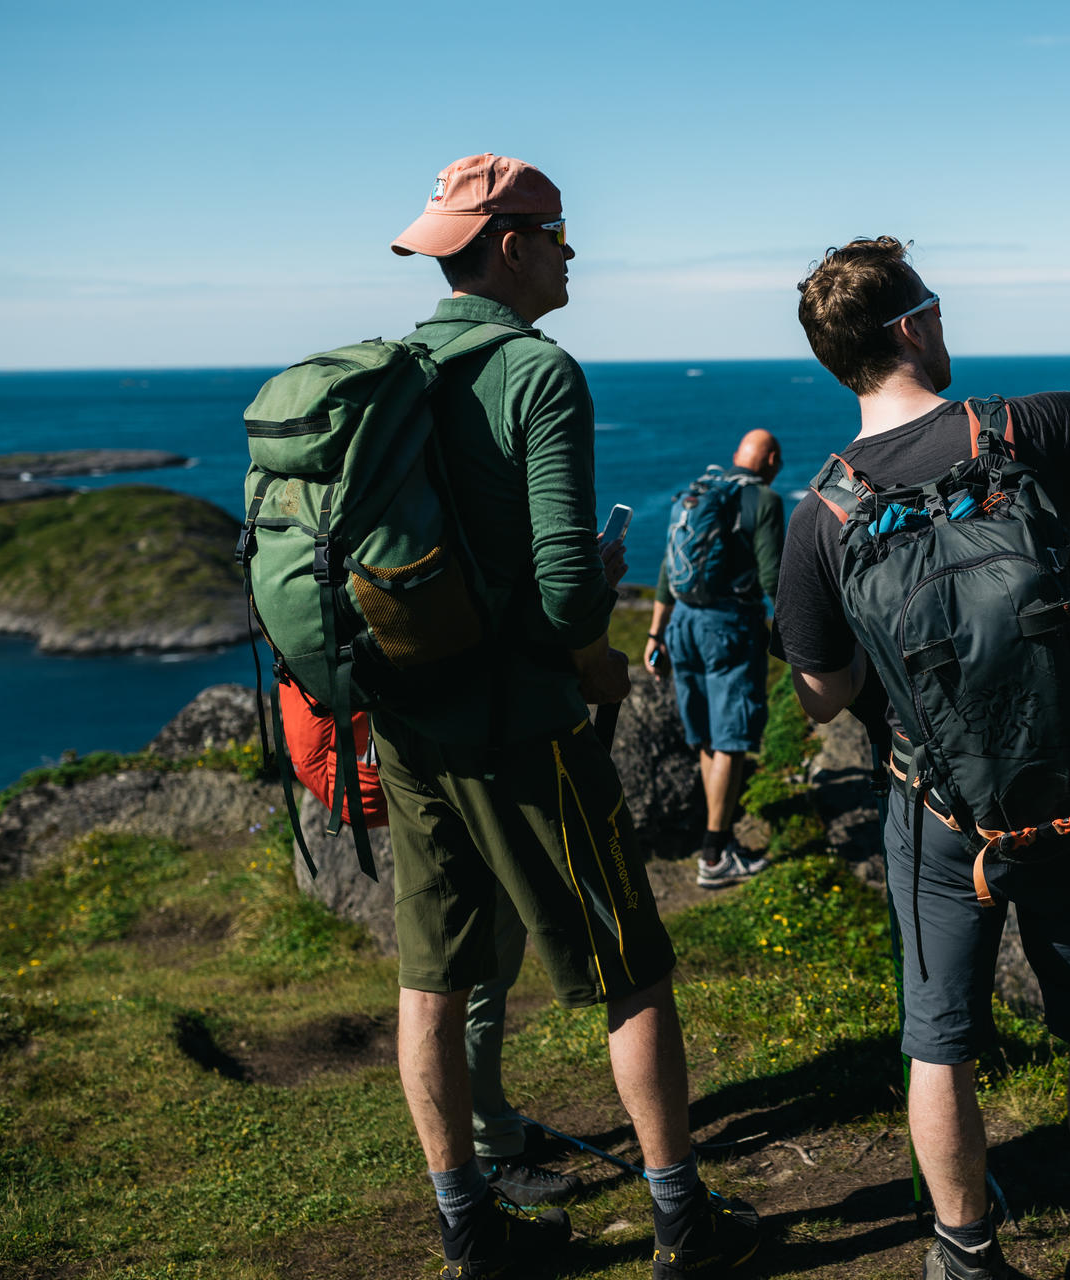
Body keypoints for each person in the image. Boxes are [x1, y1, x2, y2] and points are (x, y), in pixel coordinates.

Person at [773, 237, 1070, 1280]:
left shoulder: (821, 514)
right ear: (912, 326)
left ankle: (966, 1258)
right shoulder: (1021, 430)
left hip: (934, 809)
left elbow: (820, 693)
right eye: (937, 306)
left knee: (940, 1037)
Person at [381, 153, 757, 1279]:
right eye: (559, 236)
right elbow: (558, 595)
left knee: (431, 975)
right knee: (631, 966)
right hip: (523, 723)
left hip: (409, 721)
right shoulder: (539, 373)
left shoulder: (396, 368)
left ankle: (469, 1228)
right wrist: (597, 583)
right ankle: (684, 1225)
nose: (569, 254)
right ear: (509, 244)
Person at [276, 677, 583, 1207]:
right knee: (476, 979)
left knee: (454, 977)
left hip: (414, 768)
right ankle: (491, 1151)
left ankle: (489, 1130)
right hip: (464, 764)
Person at [643, 430, 786, 888]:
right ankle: (715, 854)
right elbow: (772, 579)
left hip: (682, 624)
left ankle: (715, 842)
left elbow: (668, 571)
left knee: (706, 734)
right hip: (728, 627)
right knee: (731, 739)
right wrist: (800, 636)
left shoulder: (699, 493)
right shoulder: (764, 500)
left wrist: (655, 634)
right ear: (773, 460)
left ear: (735, 457)